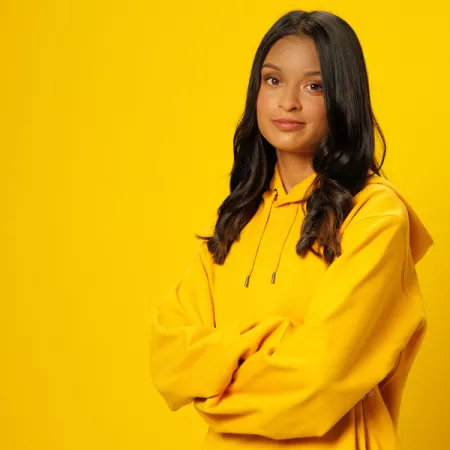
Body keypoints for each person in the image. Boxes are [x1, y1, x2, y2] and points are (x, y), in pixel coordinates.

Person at [149, 9, 434, 450]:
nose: (288, 102)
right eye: (273, 80)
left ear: (343, 98)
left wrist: (216, 375)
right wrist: (279, 341)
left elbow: (315, 385)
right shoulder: (234, 217)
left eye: (314, 86)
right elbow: (168, 361)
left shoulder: (375, 216)